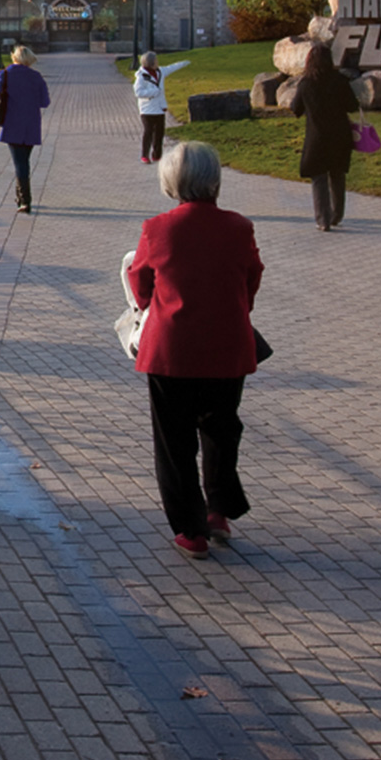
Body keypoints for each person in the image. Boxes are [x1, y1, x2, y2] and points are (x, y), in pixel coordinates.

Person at [125, 141, 264, 560]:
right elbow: (251, 278)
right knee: (222, 430)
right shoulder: (240, 227)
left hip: (172, 351)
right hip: (227, 348)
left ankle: (191, 529)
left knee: (175, 442)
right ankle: (219, 508)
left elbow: (140, 283)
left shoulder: (159, 228)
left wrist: (155, 305)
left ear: (171, 182)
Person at [290, 42, 359, 231]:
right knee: (337, 175)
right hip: (340, 135)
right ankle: (337, 215)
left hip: (317, 137)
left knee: (318, 178)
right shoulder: (340, 80)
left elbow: (296, 109)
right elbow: (352, 105)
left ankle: (323, 219)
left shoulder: (306, 84)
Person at [0, 45, 51, 213]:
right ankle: (21, 197)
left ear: (14, 57)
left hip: (13, 123)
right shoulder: (36, 77)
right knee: (24, 161)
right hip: (31, 125)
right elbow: (45, 102)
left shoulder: (7, 74)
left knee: (19, 163)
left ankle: (24, 200)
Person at [132, 51, 189, 164]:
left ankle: (157, 155)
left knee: (159, 133)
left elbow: (172, 68)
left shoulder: (160, 72)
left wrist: (186, 62)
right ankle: (144, 155)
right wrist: (154, 92)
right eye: (156, 60)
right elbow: (138, 92)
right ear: (151, 63)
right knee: (148, 131)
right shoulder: (142, 77)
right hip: (147, 109)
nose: (158, 62)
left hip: (159, 108)